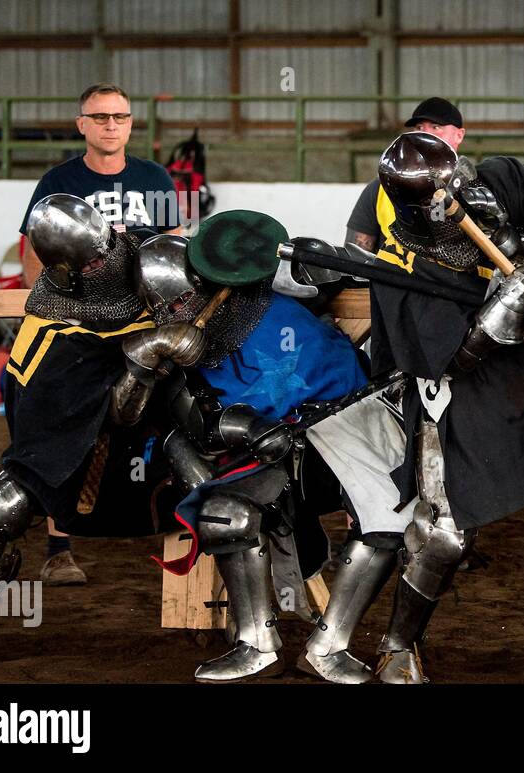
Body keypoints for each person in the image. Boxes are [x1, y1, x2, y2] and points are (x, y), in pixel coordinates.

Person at [356, 132, 524, 683]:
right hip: (458, 397)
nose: (458, 197)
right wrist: (507, 305)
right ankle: (397, 647)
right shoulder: (399, 265)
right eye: (444, 194)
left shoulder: (492, 183)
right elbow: (448, 360)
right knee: (448, 534)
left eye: (458, 181)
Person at [0, 195, 193, 667]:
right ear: (67, 272)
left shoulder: (149, 257)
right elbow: (102, 413)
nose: (106, 261)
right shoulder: (52, 322)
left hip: (175, 425)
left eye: (107, 248)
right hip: (105, 435)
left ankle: (255, 630)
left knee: (233, 494)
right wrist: (147, 351)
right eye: (93, 261)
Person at [136, 211, 369, 682]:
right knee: (224, 514)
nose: (178, 310)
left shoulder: (279, 295)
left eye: (182, 299)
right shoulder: (189, 340)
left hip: (343, 428)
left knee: (389, 522)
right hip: (265, 451)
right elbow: (185, 421)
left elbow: (337, 310)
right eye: (168, 306)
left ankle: (333, 645)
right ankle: (256, 643)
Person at [17, 82, 183, 585]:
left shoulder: (154, 177)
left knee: (171, 415)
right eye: (100, 116)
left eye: (120, 116)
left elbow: (172, 252)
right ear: (82, 125)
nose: (112, 124)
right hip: (75, 326)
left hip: (139, 324)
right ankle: (58, 544)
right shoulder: (59, 180)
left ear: (131, 124)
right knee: (58, 423)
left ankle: (179, 531)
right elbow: (33, 257)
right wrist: (49, 312)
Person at [344, 97, 467, 254]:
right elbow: (354, 257)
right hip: (393, 275)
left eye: (436, 127)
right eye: (419, 127)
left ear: (459, 135)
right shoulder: (381, 188)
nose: (425, 134)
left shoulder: (476, 188)